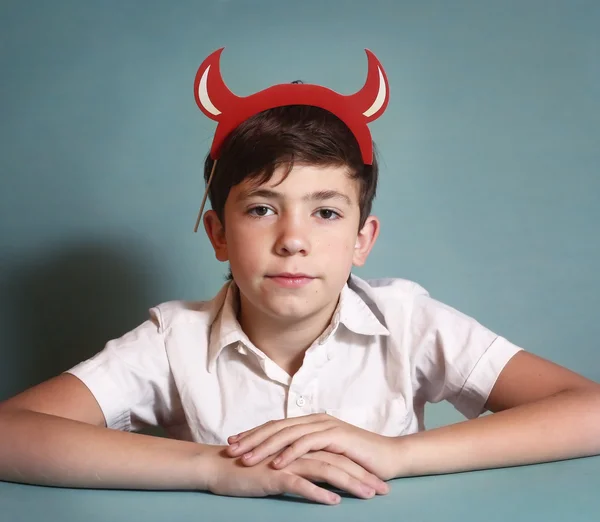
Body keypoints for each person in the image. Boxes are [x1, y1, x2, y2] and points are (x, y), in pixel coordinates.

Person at [1, 48, 599, 506]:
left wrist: (398, 455)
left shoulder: (409, 321)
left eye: (327, 212)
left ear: (362, 240)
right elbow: (8, 434)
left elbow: (590, 410)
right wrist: (214, 468)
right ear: (218, 235)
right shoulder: (171, 341)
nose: (292, 239)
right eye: (262, 209)